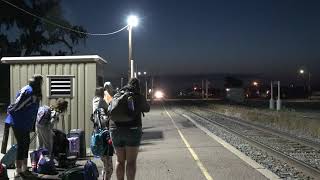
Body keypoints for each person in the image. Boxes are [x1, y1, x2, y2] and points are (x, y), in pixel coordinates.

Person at [110, 78, 150, 180]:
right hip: (132, 129)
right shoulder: (138, 96)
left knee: (119, 161)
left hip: (115, 129)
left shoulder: (118, 94)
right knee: (131, 161)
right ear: (138, 87)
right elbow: (147, 108)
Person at [5, 74, 43, 177]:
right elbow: (17, 105)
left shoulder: (34, 91)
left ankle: (24, 168)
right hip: (18, 122)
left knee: (25, 144)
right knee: (22, 145)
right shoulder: (28, 91)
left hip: (25, 122)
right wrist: (9, 110)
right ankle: (18, 171)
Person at [92, 87, 113, 180]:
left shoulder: (94, 100)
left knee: (105, 163)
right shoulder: (101, 101)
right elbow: (110, 108)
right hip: (104, 136)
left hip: (96, 134)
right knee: (109, 167)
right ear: (102, 93)